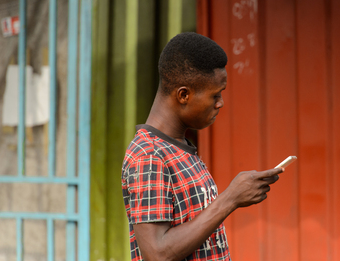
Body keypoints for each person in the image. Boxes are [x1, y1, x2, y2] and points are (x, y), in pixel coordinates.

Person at [121, 32, 284, 261]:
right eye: (215, 95)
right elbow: (156, 253)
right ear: (184, 95)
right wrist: (230, 199)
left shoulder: (179, 146)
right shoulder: (149, 155)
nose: (221, 103)